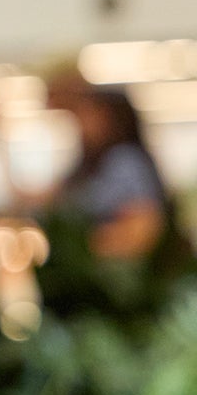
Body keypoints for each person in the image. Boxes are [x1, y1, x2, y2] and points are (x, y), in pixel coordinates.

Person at [43, 68, 173, 260]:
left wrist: (93, 245)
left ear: (113, 118)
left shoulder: (125, 161)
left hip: (115, 271)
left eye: (90, 115)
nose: (82, 124)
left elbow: (145, 224)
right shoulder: (91, 164)